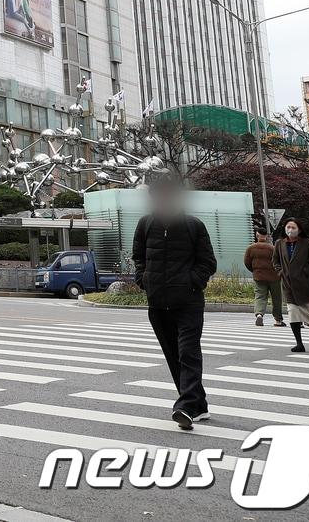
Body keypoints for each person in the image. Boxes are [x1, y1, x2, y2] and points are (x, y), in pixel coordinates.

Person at [132, 176, 216, 431]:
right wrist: (143, 280)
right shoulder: (145, 224)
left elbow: (208, 262)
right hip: (157, 303)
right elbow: (139, 257)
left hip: (188, 302)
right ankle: (197, 404)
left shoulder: (193, 225)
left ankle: (186, 406)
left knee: (188, 354)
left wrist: (193, 282)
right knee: (173, 356)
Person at [273, 218, 309, 352]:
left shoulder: (306, 243)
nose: (290, 230)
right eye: (288, 227)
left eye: (293, 228)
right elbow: (275, 261)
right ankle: (299, 343)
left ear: (299, 230)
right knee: (293, 313)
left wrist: (305, 271)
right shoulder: (279, 243)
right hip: (288, 285)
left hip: (305, 284)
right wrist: (280, 272)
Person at [242, 231, 284, 327]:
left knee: (260, 296)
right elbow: (279, 261)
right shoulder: (272, 248)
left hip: (259, 276)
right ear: (267, 237)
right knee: (276, 298)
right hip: (274, 277)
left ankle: (259, 314)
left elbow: (247, 262)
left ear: (257, 236)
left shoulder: (250, 248)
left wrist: (255, 270)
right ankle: (278, 320)